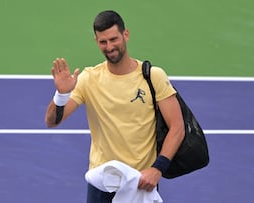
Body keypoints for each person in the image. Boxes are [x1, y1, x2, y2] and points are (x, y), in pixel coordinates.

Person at [45, 10, 185, 202]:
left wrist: (157, 168)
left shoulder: (153, 76)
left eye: (113, 39)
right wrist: (61, 95)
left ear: (125, 35)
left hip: (141, 182)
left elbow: (177, 127)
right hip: (101, 183)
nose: (109, 47)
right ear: (96, 41)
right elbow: (52, 121)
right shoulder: (89, 79)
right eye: (103, 42)